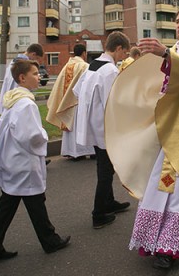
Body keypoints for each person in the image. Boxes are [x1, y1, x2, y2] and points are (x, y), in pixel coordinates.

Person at [105, 6, 179, 270]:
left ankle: (170, 246)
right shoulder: (169, 53)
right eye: (177, 21)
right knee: (159, 183)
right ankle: (154, 238)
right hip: (163, 130)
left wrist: (166, 54)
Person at [0, 60, 70, 262]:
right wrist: (44, 136)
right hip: (23, 162)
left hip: (13, 161)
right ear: (22, 78)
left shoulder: (13, 99)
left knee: (10, 205)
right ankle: (50, 241)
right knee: (33, 201)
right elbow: (31, 137)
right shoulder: (26, 104)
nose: (39, 76)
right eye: (34, 73)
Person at [73, 31, 131, 229]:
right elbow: (112, 103)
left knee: (106, 167)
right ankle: (98, 213)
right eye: (125, 52)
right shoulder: (110, 71)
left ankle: (109, 202)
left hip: (94, 125)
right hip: (105, 128)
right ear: (118, 48)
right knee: (105, 170)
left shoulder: (92, 66)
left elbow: (77, 91)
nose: (125, 56)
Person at [46, 44, 95, 160]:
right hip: (79, 103)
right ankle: (82, 151)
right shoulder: (85, 66)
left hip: (67, 104)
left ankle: (72, 151)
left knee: (71, 128)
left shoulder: (67, 66)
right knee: (82, 127)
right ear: (84, 53)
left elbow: (59, 86)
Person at [0, 43, 44, 115]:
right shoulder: (23, 65)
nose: (36, 62)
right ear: (33, 54)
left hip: (9, 101)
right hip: (17, 101)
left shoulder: (13, 62)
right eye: (37, 59)